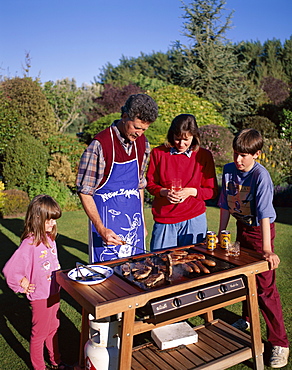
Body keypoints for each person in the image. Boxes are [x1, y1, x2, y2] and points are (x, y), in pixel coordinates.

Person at [217, 128, 289, 368]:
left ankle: (280, 343)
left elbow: (266, 214)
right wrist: (221, 234)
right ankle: (247, 319)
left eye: (244, 156)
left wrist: (267, 250)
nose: (238, 160)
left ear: (257, 154)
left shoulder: (261, 177)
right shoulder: (229, 171)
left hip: (261, 233)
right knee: (243, 277)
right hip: (241, 228)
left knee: (266, 288)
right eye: (236, 154)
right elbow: (225, 204)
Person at [76, 93, 158, 262]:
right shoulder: (100, 145)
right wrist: (100, 228)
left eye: (144, 129)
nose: (140, 134)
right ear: (124, 115)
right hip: (106, 225)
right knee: (108, 280)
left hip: (134, 226)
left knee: (138, 274)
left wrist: (141, 221)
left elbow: (139, 186)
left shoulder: (143, 143)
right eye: (137, 127)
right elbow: (84, 191)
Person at [2, 195, 71, 370]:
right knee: (39, 333)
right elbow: (9, 270)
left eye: (54, 221)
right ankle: (39, 367)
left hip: (54, 292)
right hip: (40, 296)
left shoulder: (49, 239)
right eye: (49, 221)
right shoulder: (29, 244)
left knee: (54, 326)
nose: (53, 224)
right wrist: (22, 284)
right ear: (38, 218)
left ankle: (56, 360)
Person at [146, 113, 218, 250]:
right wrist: (164, 192)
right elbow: (150, 184)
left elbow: (212, 191)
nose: (181, 144)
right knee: (160, 265)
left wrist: (192, 191)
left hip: (194, 220)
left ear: (194, 136)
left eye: (186, 139)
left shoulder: (204, 156)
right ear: (171, 135)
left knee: (195, 266)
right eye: (177, 139)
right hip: (165, 220)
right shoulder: (158, 153)